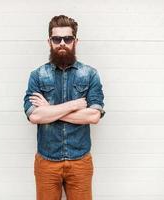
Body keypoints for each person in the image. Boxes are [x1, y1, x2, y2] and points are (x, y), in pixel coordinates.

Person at [23, 15, 105, 200]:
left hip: (80, 161)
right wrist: (75, 105)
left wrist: (49, 110)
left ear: (75, 41)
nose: (62, 43)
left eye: (67, 39)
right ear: (49, 41)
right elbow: (34, 116)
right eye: (56, 39)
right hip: (46, 161)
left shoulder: (90, 74)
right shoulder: (37, 75)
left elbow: (93, 117)